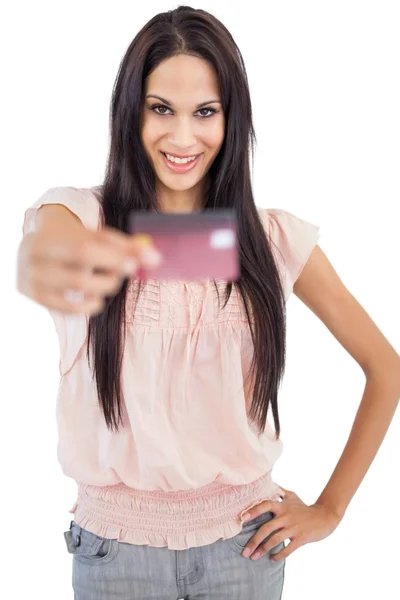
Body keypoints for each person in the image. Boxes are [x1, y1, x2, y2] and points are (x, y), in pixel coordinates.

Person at [16, 6, 400, 600]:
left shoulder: (272, 241)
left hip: (244, 551)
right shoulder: (76, 213)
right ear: (130, 112)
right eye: (160, 109)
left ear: (231, 120)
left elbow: (386, 367)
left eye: (205, 113)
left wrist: (330, 510)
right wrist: (53, 259)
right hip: (116, 555)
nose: (182, 137)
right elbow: (55, 252)